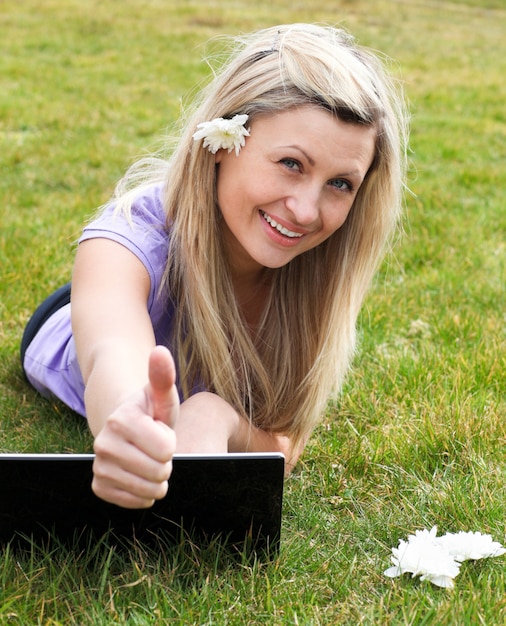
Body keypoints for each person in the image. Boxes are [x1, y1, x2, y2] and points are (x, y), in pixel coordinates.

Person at [21, 23, 409, 509]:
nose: (307, 210)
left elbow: (284, 445)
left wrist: (216, 416)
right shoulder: (124, 243)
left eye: (340, 184)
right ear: (224, 141)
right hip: (85, 313)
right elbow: (111, 355)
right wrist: (133, 421)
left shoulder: (319, 270)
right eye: (291, 163)